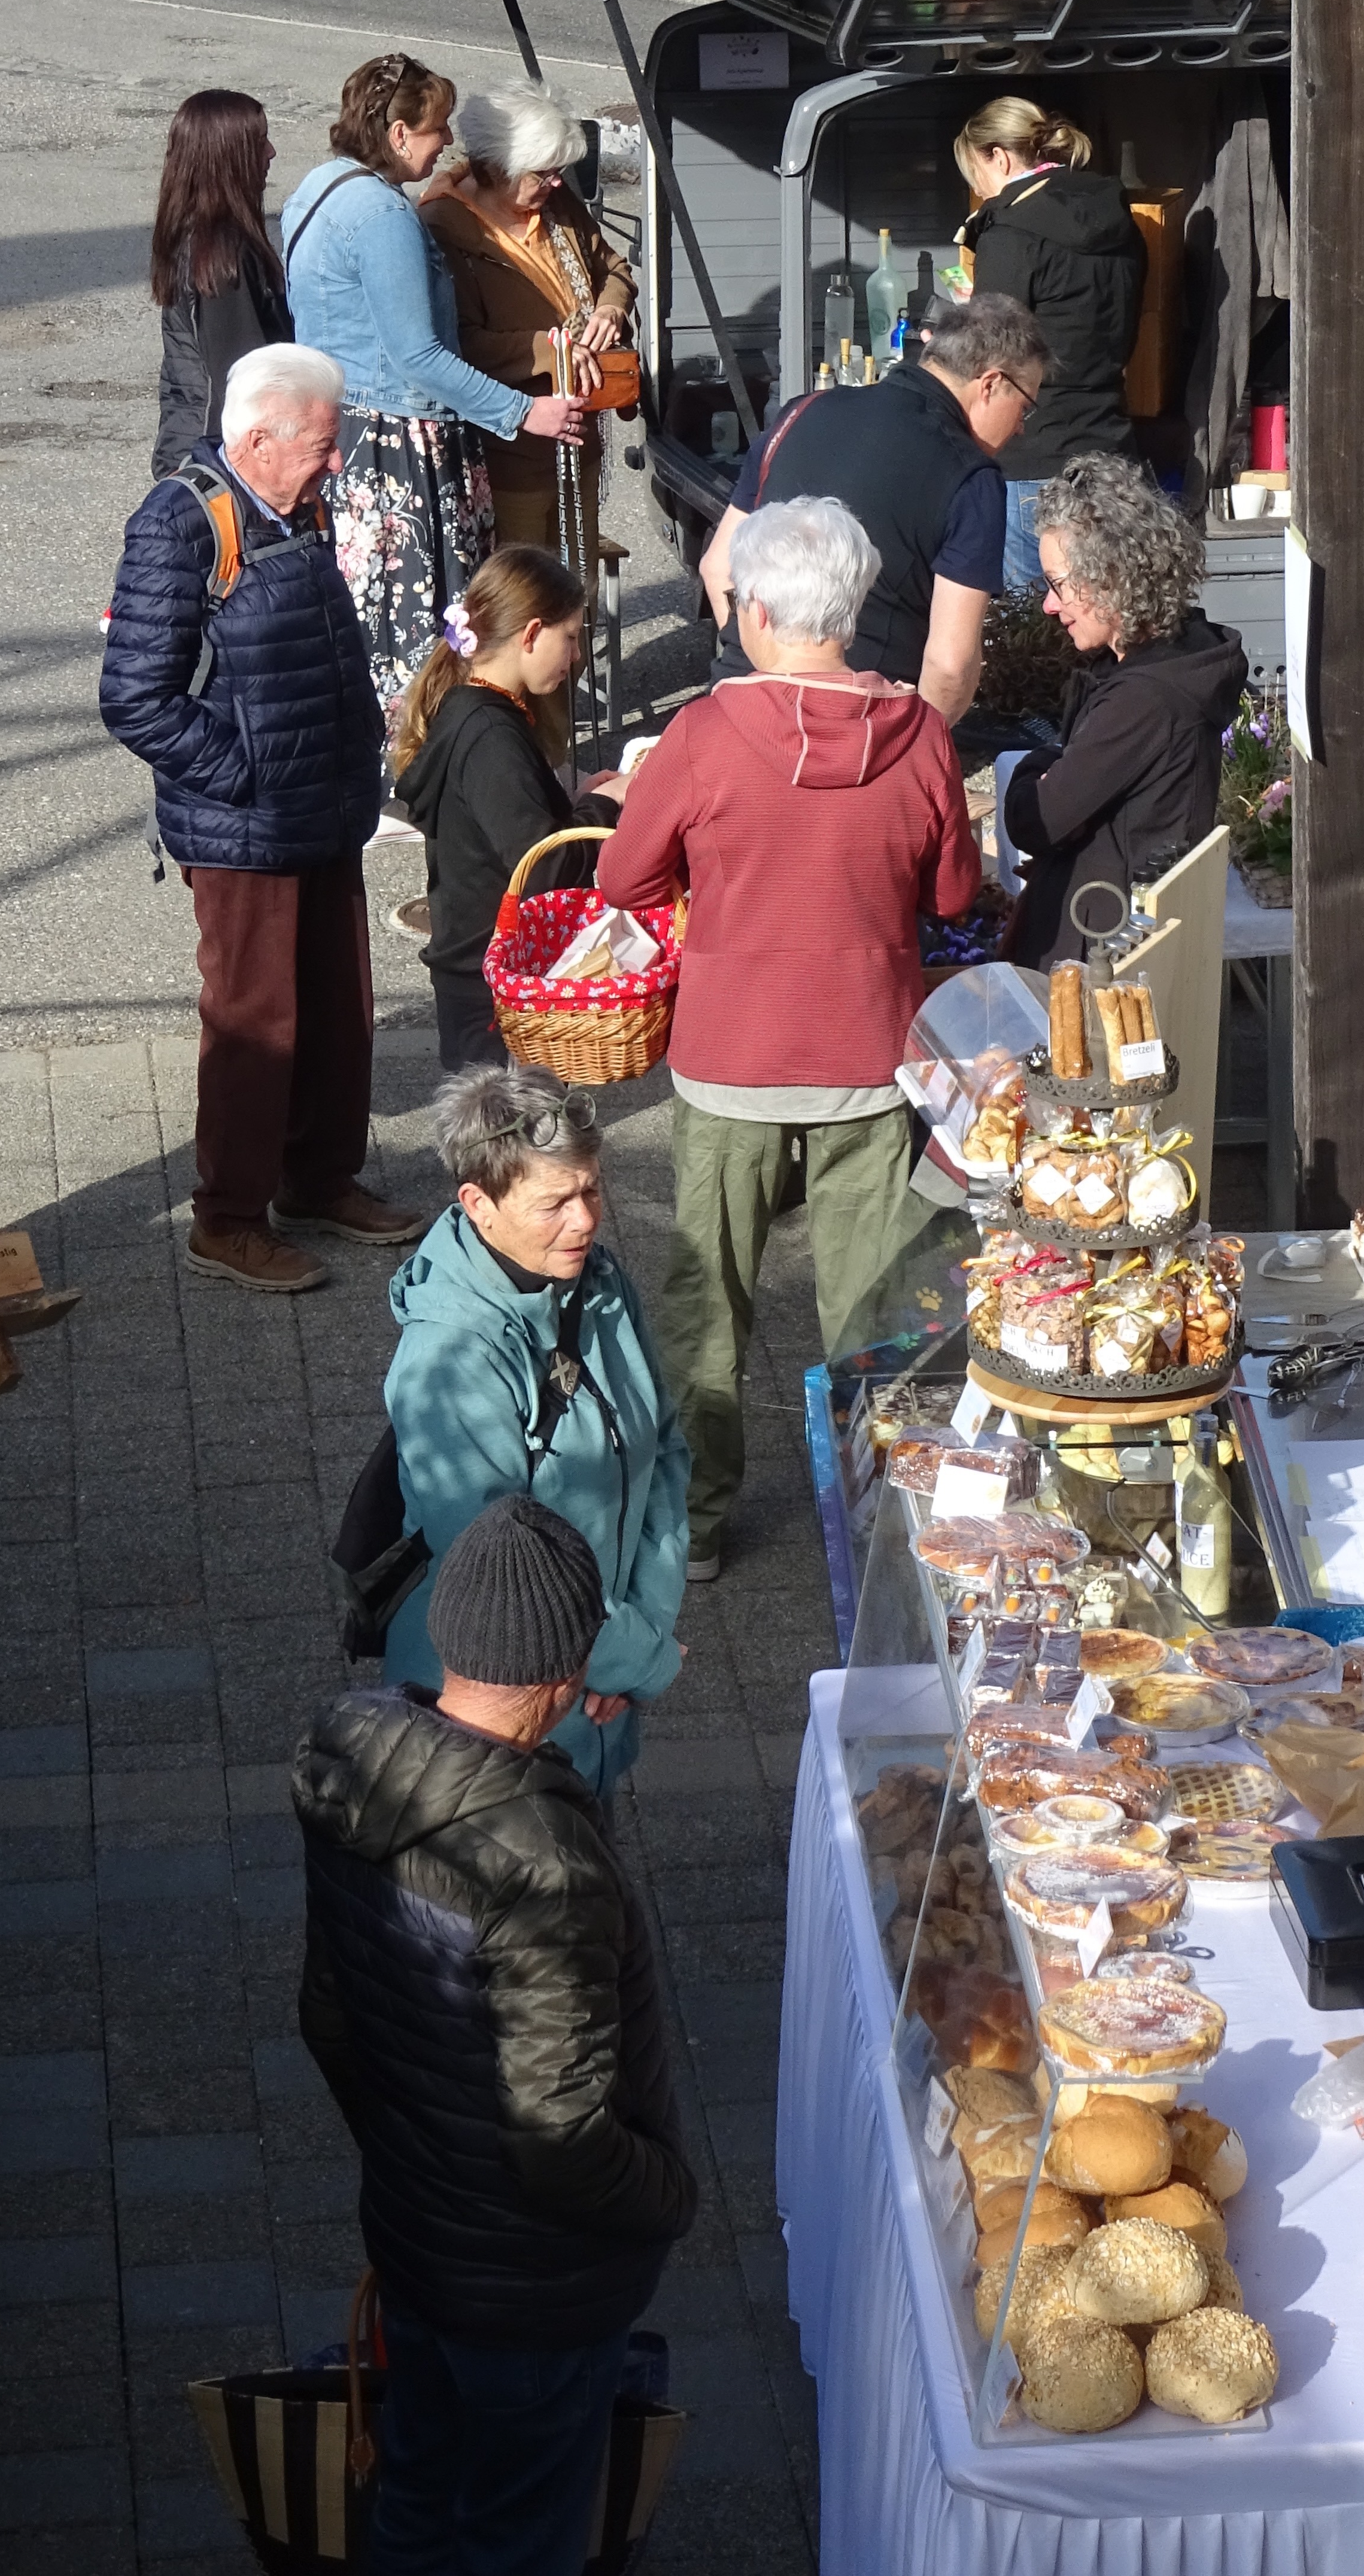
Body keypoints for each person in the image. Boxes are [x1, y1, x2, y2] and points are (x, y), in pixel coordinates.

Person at [295, 1494, 697, 2576]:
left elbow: (327, 2014)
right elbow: (560, 2136)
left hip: (418, 2240)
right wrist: (666, 2192)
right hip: (535, 2292)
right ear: (566, 1681)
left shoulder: (347, 1762)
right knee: (519, 2533)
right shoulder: (544, 1866)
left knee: (417, 2487)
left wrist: (413, 2159)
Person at [596, 498, 982, 1584]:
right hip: (868, 1055)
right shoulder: (922, 735)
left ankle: (698, 1522)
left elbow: (622, 876)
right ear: (851, 610)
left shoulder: (705, 734)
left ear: (755, 609)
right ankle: (877, 1520)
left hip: (731, 1060)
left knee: (705, 1298)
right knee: (869, 1309)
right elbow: (954, 889)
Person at [99, 343, 425, 1294]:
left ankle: (318, 1180)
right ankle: (228, 1218)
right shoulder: (181, 524)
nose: (337, 463)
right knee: (256, 1022)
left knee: (337, 1005)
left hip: (320, 808)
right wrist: (242, 776)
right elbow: (135, 699)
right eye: (324, 446)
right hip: (246, 824)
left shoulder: (292, 505)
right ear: (257, 438)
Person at [384, 1067, 690, 1790]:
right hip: (503, 1714)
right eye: (555, 1202)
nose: (585, 1220)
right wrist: (637, 1661)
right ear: (478, 1205)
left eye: (590, 1190)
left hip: (594, 1675)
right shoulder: (449, 1359)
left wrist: (643, 1626)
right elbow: (495, 1567)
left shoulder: (599, 1284)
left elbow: (666, 1451)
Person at [278, 54, 585, 714]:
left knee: (371, 620)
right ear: (397, 135)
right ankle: (423, 770)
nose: (446, 141)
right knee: (421, 631)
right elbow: (418, 355)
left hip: (350, 432)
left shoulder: (320, 187)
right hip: (399, 451)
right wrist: (521, 412)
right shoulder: (384, 217)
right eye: (436, 127)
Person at [698, 292, 1050, 725]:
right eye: (1025, 407)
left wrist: (755, 658)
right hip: (859, 732)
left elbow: (718, 568)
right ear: (992, 384)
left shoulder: (801, 411)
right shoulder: (972, 478)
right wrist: (918, 755)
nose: (1019, 427)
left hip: (737, 706)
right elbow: (950, 664)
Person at [1003, 455, 1247, 968]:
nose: (1049, 605)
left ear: (1110, 578)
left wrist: (1038, 760)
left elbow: (1035, 821)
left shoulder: (1143, 699)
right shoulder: (1176, 653)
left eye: (1058, 584)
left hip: (1106, 952)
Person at [421, 83, 632, 615]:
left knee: (572, 595)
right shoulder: (446, 226)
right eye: (543, 173)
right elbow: (458, 343)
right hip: (510, 451)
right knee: (524, 607)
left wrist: (610, 308)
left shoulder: (556, 203)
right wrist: (550, 350)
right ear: (498, 165)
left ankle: (567, 688)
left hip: (579, 439)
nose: (557, 183)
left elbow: (614, 269)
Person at [389, 546, 595, 1072]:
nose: (575, 656)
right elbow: (543, 865)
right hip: (494, 985)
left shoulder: (472, 711)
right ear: (530, 634)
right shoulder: (490, 736)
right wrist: (603, 807)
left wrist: (581, 797)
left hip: (475, 971)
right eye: (570, 637)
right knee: (510, 1146)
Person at [955, 98, 1148, 591]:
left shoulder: (1011, 234)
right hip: (1112, 451)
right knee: (1105, 618)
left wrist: (962, 316)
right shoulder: (1121, 220)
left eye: (976, 174)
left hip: (1034, 457)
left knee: (1034, 634)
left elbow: (989, 354)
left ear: (998, 157)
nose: (979, 191)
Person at [149, 89, 294, 478]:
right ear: (230, 158)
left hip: (193, 443)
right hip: (219, 460)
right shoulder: (222, 253)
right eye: (260, 141)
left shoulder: (191, 233)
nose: (272, 152)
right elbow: (243, 375)